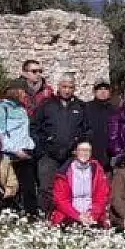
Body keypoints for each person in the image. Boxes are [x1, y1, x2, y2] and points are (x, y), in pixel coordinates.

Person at [33, 75, 88, 215]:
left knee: (70, 188)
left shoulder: (80, 106)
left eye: (70, 87)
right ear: (59, 87)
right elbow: (34, 127)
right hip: (49, 154)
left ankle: (68, 218)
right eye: (64, 87)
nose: (67, 90)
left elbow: (87, 130)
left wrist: (79, 146)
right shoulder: (47, 104)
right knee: (46, 187)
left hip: (71, 155)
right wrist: (43, 146)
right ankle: (47, 217)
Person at [0, 81, 38, 218]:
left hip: (25, 152)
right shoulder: (0, 109)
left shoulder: (21, 109)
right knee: (11, 187)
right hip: (10, 155)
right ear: (15, 91)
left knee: (29, 188)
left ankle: (31, 216)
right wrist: (16, 150)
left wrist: (31, 146)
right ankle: (10, 215)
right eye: (23, 92)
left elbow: (24, 131)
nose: (25, 95)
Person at [49, 141, 111, 227]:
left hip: (93, 216)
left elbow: (102, 196)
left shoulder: (97, 170)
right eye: (82, 150)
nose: (85, 153)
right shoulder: (64, 172)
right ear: (75, 152)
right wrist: (78, 216)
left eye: (88, 150)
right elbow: (61, 200)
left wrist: (92, 215)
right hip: (69, 216)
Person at [83, 82, 116, 172]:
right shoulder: (86, 108)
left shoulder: (115, 110)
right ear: (95, 91)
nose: (103, 92)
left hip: (109, 156)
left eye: (105, 89)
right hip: (90, 154)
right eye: (100, 89)